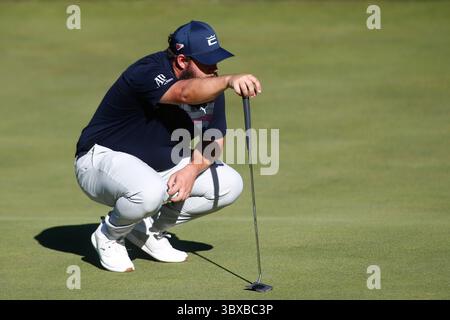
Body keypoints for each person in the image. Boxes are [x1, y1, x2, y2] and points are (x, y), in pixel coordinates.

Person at [74, 20, 262, 272]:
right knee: (148, 191)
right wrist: (229, 81)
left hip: (155, 170)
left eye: (217, 61)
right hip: (99, 160)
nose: (215, 68)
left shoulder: (211, 87)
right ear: (182, 61)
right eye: (207, 63)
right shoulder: (148, 71)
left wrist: (190, 171)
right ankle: (108, 235)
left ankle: (147, 231)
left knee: (228, 185)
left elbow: (214, 139)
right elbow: (184, 93)